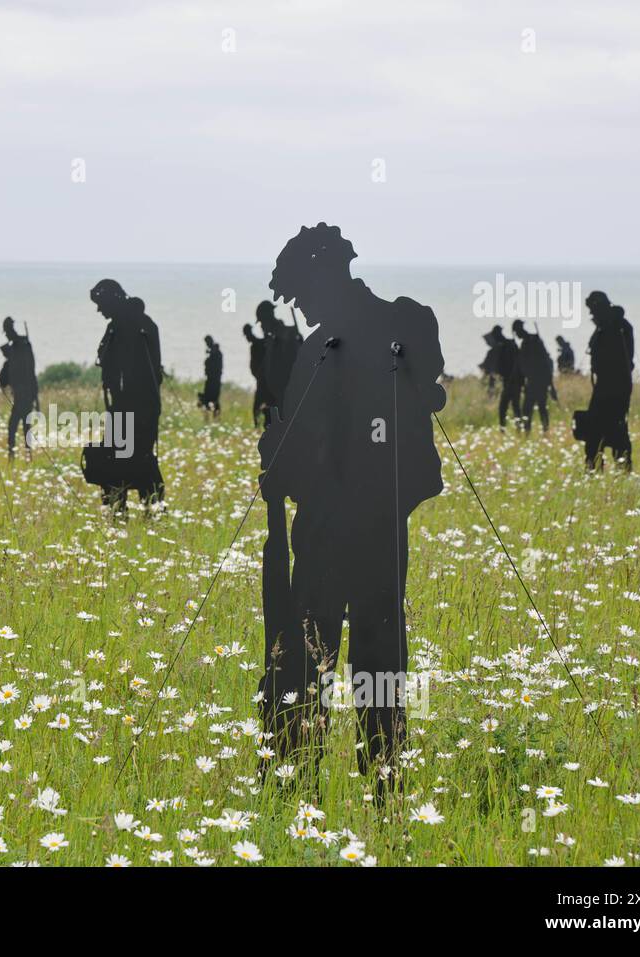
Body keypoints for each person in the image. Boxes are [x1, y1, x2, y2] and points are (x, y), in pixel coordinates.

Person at [258, 223, 446, 798]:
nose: (302, 309)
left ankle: (300, 781)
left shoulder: (349, 339)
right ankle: (380, 782)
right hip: (378, 523)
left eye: (303, 295)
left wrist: (277, 459)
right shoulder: (400, 323)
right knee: (377, 657)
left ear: (327, 278)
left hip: (335, 526)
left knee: (314, 656)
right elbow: (428, 391)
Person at [88, 279, 164, 511]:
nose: (99, 309)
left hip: (133, 407)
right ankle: (144, 510)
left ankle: (139, 510)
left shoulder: (129, 326)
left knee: (130, 459)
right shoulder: (132, 324)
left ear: (112, 299)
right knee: (128, 458)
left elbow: (129, 369)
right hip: (130, 406)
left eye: (101, 303)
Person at [578, 293, 633, 471]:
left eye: (593, 310)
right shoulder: (609, 326)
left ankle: (616, 469)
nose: (592, 315)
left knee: (611, 431)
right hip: (607, 387)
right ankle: (598, 469)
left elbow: (620, 362)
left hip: (614, 389)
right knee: (599, 432)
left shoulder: (616, 328)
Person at [0, 316, 40, 458]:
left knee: (17, 425)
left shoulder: (20, 346)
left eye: (7, 331)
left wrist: (34, 395)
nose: (7, 334)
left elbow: (29, 371)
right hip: (22, 393)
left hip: (24, 394)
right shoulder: (18, 346)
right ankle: (20, 453)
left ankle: (19, 453)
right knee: (20, 425)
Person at [512, 319, 555, 433]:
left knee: (538, 408)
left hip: (538, 381)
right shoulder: (528, 342)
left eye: (517, 332)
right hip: (532, 381)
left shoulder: (533, 341)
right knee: (530, 409)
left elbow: (545, 362)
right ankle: (529, 432)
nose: (517, 334)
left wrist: (550, 384)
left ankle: (543, 432)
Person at [483, 325, 523, 427]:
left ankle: (516, 429)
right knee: (508, 408)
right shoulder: (503, 347)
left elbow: (516, 364)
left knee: (510, 407)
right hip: (508, 382)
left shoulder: (509, 346)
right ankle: (509, 429)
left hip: (513, 382)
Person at [242, 321, 269, 427]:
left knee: (259, 407)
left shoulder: (259, 344)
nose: (247, 338)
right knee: (257, 408)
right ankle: (258, 427)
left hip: (264, 382)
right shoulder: (256, 345)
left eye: (247, 335)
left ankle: (259, 426)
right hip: (261, 381)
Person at [197, 335, 223, 417]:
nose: (207, 344)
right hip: (211, 380)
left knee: (212, 399)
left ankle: (213, 417)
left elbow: (215, 367)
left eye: (207, 342)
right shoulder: (214, 352)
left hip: (214, 380)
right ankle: (210, 417)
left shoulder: (216, 353)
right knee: (208, 399)